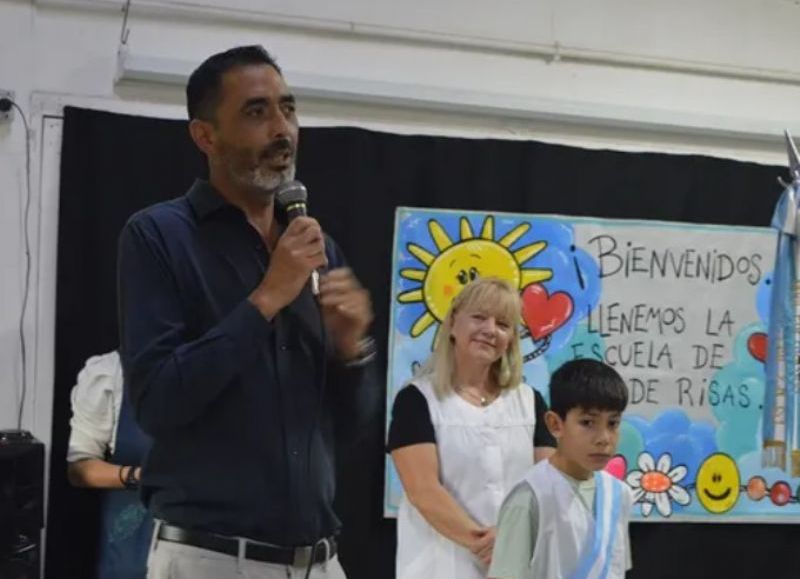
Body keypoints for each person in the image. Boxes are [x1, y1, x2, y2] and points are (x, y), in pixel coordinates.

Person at [117, 45, 377, 579]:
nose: (282, 129)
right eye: (257, 112)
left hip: (319, 561)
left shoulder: (315, 246)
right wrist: (267, 298)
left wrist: (352, 351)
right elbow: (158, 402)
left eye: (288, 109)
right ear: (205, 136)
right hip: (212, 558)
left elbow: (348, 431)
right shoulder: (158, 236)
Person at [389, 277, 549, 579]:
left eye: (503, 324)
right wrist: (491, 546)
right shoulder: (416, 400)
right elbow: (423, 490)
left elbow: (548, 485)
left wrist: (512, 543)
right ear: (452, 324)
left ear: (511, 339)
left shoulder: (531, 402)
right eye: (479, 317)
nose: (490, 329)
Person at [488, 358, 633, 579]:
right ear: (555, 424)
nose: (604, 438)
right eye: (587, 423)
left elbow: (616, 568)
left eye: (613, 423)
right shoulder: (530, 497)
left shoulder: (618, 494)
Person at [66, 350, 153, 579]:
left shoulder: (220, 362)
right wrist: (140, 476)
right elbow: (79, 469)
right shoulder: (110, 371)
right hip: (133, 550)